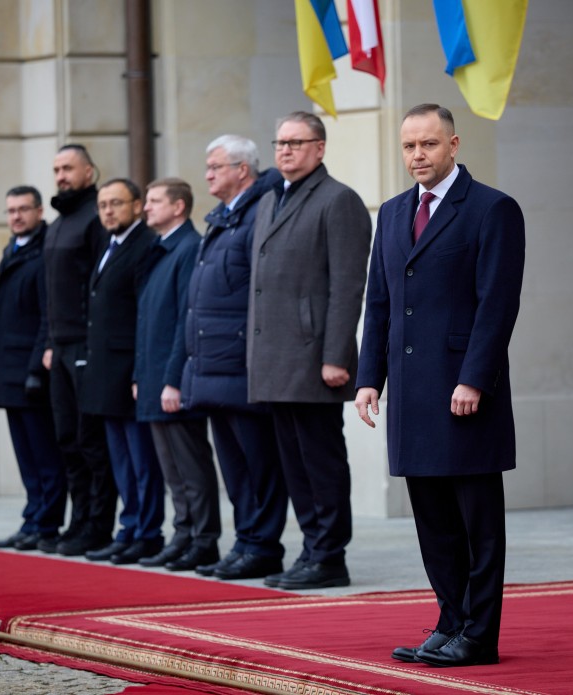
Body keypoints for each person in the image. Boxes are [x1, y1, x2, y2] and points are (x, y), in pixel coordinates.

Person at [355, 103, 525, 667]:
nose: (417, 155)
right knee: (433, 521)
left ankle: (480, 635)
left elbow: (497, 305)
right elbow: (380, 303)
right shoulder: (392, 212)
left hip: (463, 392)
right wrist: (369, 379)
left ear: (453, 144)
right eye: (409, 146)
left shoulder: (492, 209)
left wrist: (474, 378)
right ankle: (450, 622)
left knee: (477, 523)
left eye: (428, 144)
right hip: (411, 393)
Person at [247, 112, 372, 590]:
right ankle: (311, 550)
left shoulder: (339, 200)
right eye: (279, 142)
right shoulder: (269, 200)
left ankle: (329, 556)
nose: (284, 150)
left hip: (315, 357)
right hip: (275, 357)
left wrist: (336, 355)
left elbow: (347, 285)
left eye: (295, 142)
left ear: (319, 148)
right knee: (294, 464)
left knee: (319, 461)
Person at [181, 135, 288, 581]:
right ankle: (245, 541)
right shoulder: (223, 218)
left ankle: (263, 546)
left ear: (243, 170)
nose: (207, 175)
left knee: (259, 465)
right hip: (214, 365)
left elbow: (262, 293)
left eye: (216, 167)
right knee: (235, 467)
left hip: (243, 366)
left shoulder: (261, 212)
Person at [132, 177, 222, 572]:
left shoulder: (188, 248)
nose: (146, 207)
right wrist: (141, 376)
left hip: (174, 379)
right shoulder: (161, 249)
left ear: (178, 207)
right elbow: (148, 320)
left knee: (190, 464)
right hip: (154, 377)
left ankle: (204, 539)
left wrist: (172, 380)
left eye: (154, 201)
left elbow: (186, 322)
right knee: (172, 467)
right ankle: (183, 534)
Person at [80, 178, 165, 565]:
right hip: (104, 371)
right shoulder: (108, 245)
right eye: (103, 205)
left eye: (116, 203)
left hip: (130, 368)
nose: (108, 211)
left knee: (142, 459)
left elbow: (145, 314)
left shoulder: (145, 245)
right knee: (121, 460)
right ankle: (129, 528)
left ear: (136, 206)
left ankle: (147, 532)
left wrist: (138, 372)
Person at [41, 144, 117, 557]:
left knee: (91, 442)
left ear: (89, 171)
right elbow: (52, 294)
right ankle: (78, 520)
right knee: (67, 439)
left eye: (68, 168)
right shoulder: (58, 224)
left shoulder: (94, 219)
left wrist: (91, 344)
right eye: (57, 169)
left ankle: (98, 525)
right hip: (60, 348)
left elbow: (99, 288)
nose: (61, 176)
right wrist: (49, 343)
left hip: (87, 347)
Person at [0, 186, 66, 551]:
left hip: (32, 373)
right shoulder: (12, 251)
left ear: (39, 212)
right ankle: (32, 518)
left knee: (45, 454)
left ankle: (46, 524)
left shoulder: (45, 252)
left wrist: (36, 369)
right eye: (11, 210)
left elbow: (49, 316)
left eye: (23, 209)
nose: (16, 216)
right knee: (25, 455)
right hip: (8, 370)